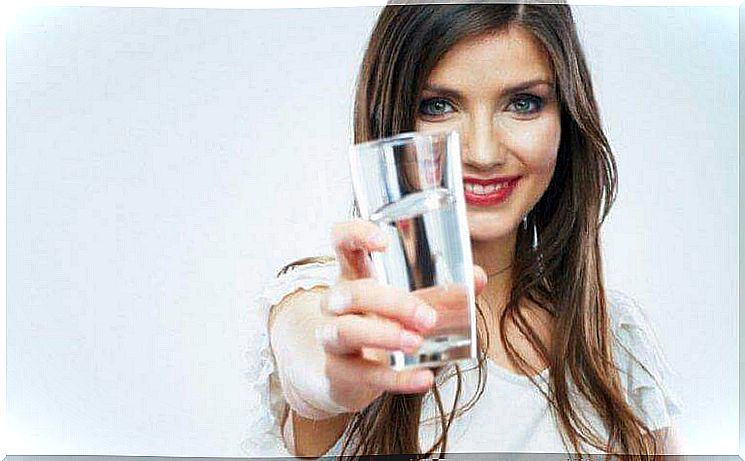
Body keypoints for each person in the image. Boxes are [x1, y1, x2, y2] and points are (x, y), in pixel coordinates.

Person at [242, 2, 685, 459]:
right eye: (438, 106)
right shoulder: (340, 306)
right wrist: (331, 379)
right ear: (392, 120)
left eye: (523, 103)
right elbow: (311, 360)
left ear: (566, 120)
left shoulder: (611, 336)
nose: (483, 152)